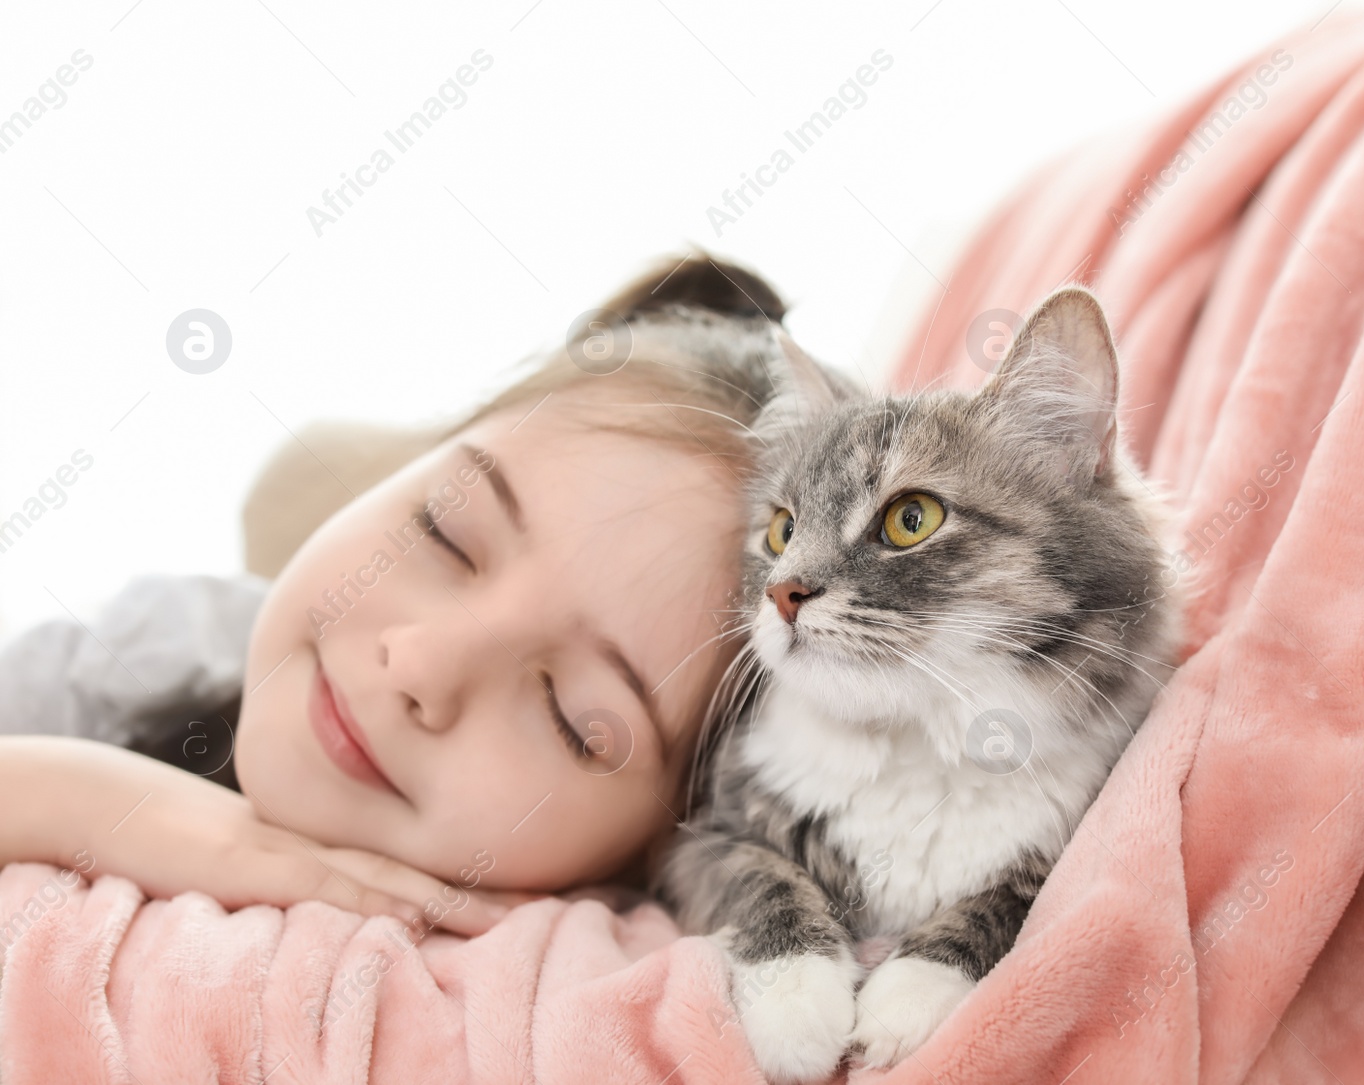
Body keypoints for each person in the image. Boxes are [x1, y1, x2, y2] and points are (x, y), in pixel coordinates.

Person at [0, 255, 785, 939]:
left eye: (570, 717)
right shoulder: (156, 649)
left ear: (670, 843)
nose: (418, 662)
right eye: (443, 531)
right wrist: (68, 797)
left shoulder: (583, 985)